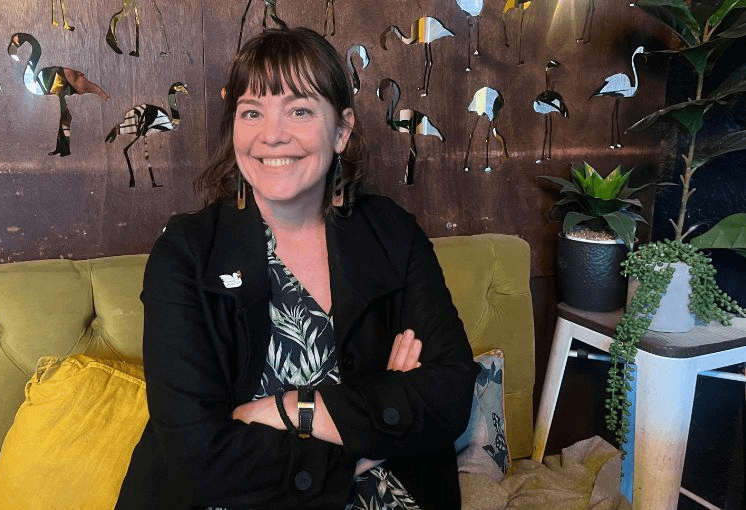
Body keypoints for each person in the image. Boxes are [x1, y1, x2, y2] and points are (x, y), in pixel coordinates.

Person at [115, 26, 479, 510]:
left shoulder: (392, 233)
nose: (272, 135)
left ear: (341, 130)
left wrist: (289, 409)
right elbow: (197, 460)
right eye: (252, 112)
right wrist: (373, 429)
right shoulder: (186, 252)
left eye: (300, 110)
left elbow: (448, 396)